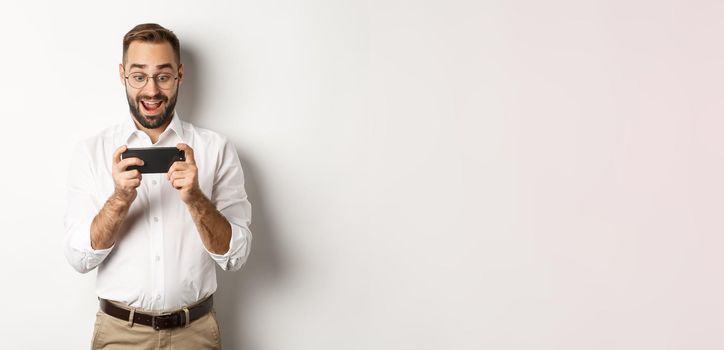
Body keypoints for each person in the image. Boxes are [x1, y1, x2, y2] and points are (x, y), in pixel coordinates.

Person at [63, 23, 252, 350]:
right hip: (120, 334)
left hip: (196, 333)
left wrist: (195, 199)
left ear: (179, 74)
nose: (151, 91)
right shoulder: (91, 151)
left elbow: (236, 257)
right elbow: (79, 259)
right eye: (139, 76)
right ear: (122, 75)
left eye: (163, 76)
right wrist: (120, 199)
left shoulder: (217, 149)